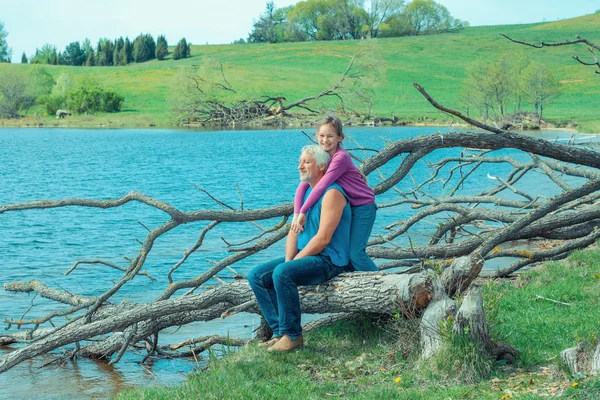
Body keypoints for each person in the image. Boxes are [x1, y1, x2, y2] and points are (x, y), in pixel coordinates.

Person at [247, 145, 352, 352]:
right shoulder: (306, 192)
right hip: (307, 256)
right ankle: (279, 333)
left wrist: (292, 264)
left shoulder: (332, 193)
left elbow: (323, 239)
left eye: (306, 162)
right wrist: (289, 260)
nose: (300, 166)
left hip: (329, 259)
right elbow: (293, 231)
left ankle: (293, 336)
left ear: (322, 166)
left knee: (283, 273)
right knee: (257, 276)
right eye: (300, 161)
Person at [291, 115, 378, 272]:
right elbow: (302, 186)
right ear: (316, 136)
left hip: (363, 206)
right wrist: (297, 213)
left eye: (330, 136)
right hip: (347, 205)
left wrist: (304, 211)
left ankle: (382, 283)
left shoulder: (340, 157)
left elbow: (322, 185)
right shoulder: (321, 156)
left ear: (340, 137)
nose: (325, 140)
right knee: (345, 252)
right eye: (322, 136)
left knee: (356, 254)